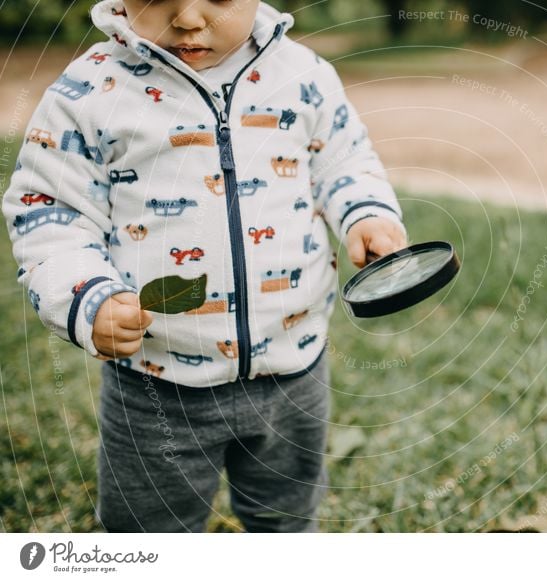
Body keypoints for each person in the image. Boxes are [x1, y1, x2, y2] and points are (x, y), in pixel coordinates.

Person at [1, 0, 407, 532]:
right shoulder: (89, 92)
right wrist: (84, 296)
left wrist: (366, 213)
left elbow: (344, 161)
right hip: (155, 385)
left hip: (295, 369)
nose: (189, 18)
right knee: (148, 534)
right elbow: (49, 209)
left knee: (285, 520)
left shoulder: (303, 76)